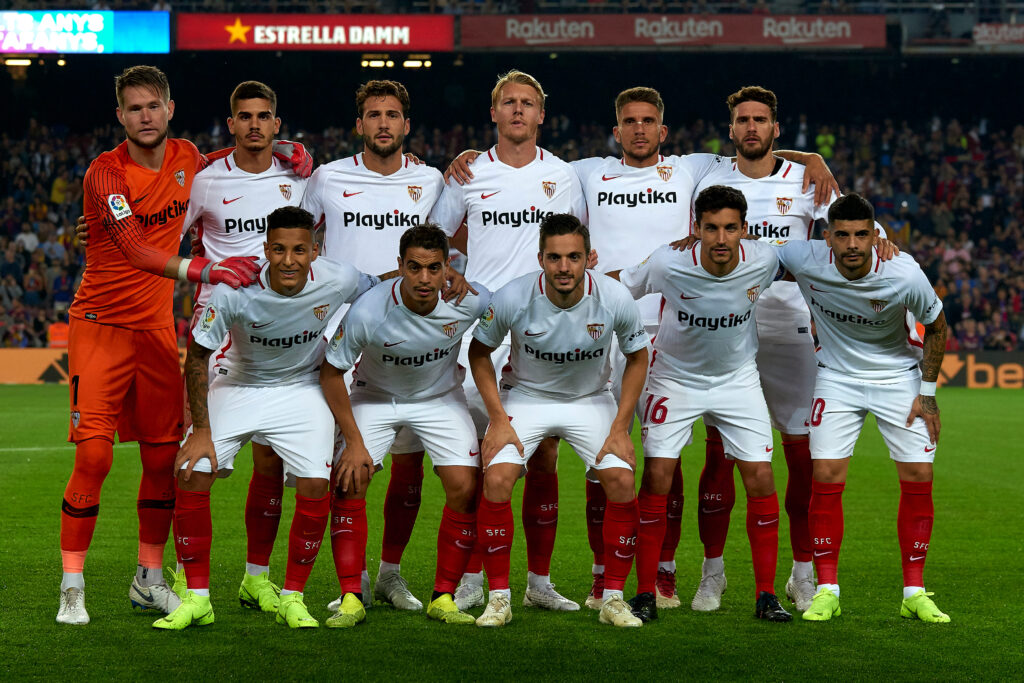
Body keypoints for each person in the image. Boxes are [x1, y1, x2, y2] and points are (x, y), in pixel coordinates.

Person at [448, 85, 837, 610]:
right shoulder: (581, 172)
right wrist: (470, 156)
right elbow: (516, 169)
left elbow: (752, 146)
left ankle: (665, 573)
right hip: (603, 329)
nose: (638, 129)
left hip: (678, 332)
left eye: (648, 121)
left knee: (662, 463)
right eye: (629, 121)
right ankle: (598, 575)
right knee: (602, 461)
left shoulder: (689, 169)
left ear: (663, 130)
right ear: (616, 130)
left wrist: (809, 156)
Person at [58, 65, 264, 626]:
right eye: (133, 108)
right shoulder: (104, 173)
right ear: (120, 115)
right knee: (95, 456)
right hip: (100, 324)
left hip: (154, 330)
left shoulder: (189, 158)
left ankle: (149, 580)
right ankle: (71, 588)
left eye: (154, 106)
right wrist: (206, 270)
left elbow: (244, 160)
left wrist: (292, 150)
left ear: (169, 109)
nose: (144, 116)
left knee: (161, 460)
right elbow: (131, 247)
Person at [154, 206, 375, 630]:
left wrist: (449, 280)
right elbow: (197, 357)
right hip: (238, 384)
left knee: (314, 483)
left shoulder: (340, 277)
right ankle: (198, 597)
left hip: (302, 388)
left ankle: (292, 596)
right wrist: (200, 431)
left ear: (315, 251)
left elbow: (381, 285)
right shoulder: (233, 290)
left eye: (298, 250)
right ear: (265, 249)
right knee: (192, 469)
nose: (288, 261)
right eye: (278, 249)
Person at [429, 69, 587, 613]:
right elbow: (439, 242)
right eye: (508, 103)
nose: (518, 111)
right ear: (493, 113)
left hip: (546, 331)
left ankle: (538, 582)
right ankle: (474, 572)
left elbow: (579, 249)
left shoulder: (564, 176)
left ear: (542, 115)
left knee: (544, 457)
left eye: (528, 103)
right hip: (483, 330)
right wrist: (454, 273)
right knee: (482, 460)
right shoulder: (467, 173)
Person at [610, 185, 793, 623]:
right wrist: (581, 284)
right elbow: (620, 285)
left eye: (731, 228)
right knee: (657, 475)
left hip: (738, 380)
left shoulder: (765, 259)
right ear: (695, 229)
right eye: (710, 228)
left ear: (744, 230)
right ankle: (645, 593)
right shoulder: (668, 261)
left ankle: (766, 594)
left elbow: (817, 259)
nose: (721, 238)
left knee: (761, 479)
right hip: (674, 378)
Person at [302, 80, 450, 613]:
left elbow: (447, 247)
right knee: (346, 467)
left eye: (392, 115)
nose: (383, 123)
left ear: (406, 125)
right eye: (373, 115)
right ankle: (350, 582)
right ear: (358, 125)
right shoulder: (327, 178)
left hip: (412, 338)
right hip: (344, 340)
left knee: (408, 467)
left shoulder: (432, 181)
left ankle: (388, 573)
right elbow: (296, 240)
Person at [688, 86, 836, 613]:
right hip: (725, 327)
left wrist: (883, 240)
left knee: (801, 457)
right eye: (742, 120)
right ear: (730, 129)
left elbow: (849, 228)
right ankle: (713, 573)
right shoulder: (708, 177)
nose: (751, 127)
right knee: (719, 455)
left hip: (792, 327)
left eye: (761, 120)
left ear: (777, 128)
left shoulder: (808, 179)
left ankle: (800, 573)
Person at [773, 194, 950, 623]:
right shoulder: (803, 257)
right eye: (843, 235)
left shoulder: (904, 272)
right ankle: (827, 589)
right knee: (826, 476)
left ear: (876, 236)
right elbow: (752, 251)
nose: (852, 244)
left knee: (919, 475)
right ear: (827, 237)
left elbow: (938, 326)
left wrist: (926, 393)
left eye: (861, 234)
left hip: (898, 378)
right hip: (836, 377)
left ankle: (914, 591)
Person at [470, 213, 648, 629]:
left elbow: (638, 357)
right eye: (554, 258)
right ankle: (499, 597)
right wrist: (498, 419)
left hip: (590, 400)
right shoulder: (514, 296)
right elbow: (480, 353)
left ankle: (613, 598)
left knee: (621, 480)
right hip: (527, 397)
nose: (564, 267)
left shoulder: (614, 297)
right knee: (497, 479)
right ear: (541, 259)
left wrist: (621, 427)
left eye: (573, 257)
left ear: (589, 258)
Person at [174, 80, 308, 615]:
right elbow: (168, 244)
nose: (255, 124)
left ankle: (257, 577)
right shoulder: (205, 182)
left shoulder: (300, 181)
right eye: (245, 116)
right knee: (196, 462)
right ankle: (190, 580)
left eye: (265, 116)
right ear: (230, 125)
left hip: (280, 335)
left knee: (271, 462)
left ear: (278, 125)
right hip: (219, 336)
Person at [319, 224, 490, 628]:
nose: (425, 279)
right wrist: (355, 443)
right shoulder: (368, 310)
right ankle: (351, 595)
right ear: (399, 267)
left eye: (434, 268)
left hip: (439, 399)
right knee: (349, 477)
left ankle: (443, 597)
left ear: (448, 267)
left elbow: (508, 318)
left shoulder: (471, 300)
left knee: (466, 486)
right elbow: (330, 373)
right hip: (375, 397)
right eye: (414, 268)